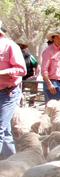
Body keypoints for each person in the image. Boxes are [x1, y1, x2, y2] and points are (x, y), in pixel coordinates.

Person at [0, 21, 27, 159]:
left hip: (8, 92)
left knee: (0, 127)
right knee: (4, 130)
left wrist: (2, 72)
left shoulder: (10, 46)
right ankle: (12, 162)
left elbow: (22, 70)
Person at [41, 30, 60, 102]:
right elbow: (44, 69)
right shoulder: (48, 51)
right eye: (57, 38)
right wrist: (49, 84)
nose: (59, 40)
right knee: (52, 108)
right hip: (51, 82)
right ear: (53, 38)